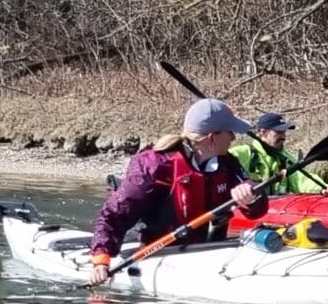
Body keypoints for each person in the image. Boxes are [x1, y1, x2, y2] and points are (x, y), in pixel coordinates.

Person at [88, 99, 269, 284]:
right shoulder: (157, 165)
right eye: (229, 132)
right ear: (212, 138)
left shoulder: (227, 162)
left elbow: (257, 209)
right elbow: (114, 214)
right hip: (155, 253)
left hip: (205, 251)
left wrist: (251, 195)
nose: (233, 138)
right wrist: (101, 260)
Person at [229, 111, 326, 194]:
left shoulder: (285, 157)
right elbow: (218, 165)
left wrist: (323, 188)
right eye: (279, 132)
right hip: (252, 211)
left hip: (278, 211)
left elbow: (302, 179)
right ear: (263, 133)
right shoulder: (244, 152)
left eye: (284, 132)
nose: (283, 137)